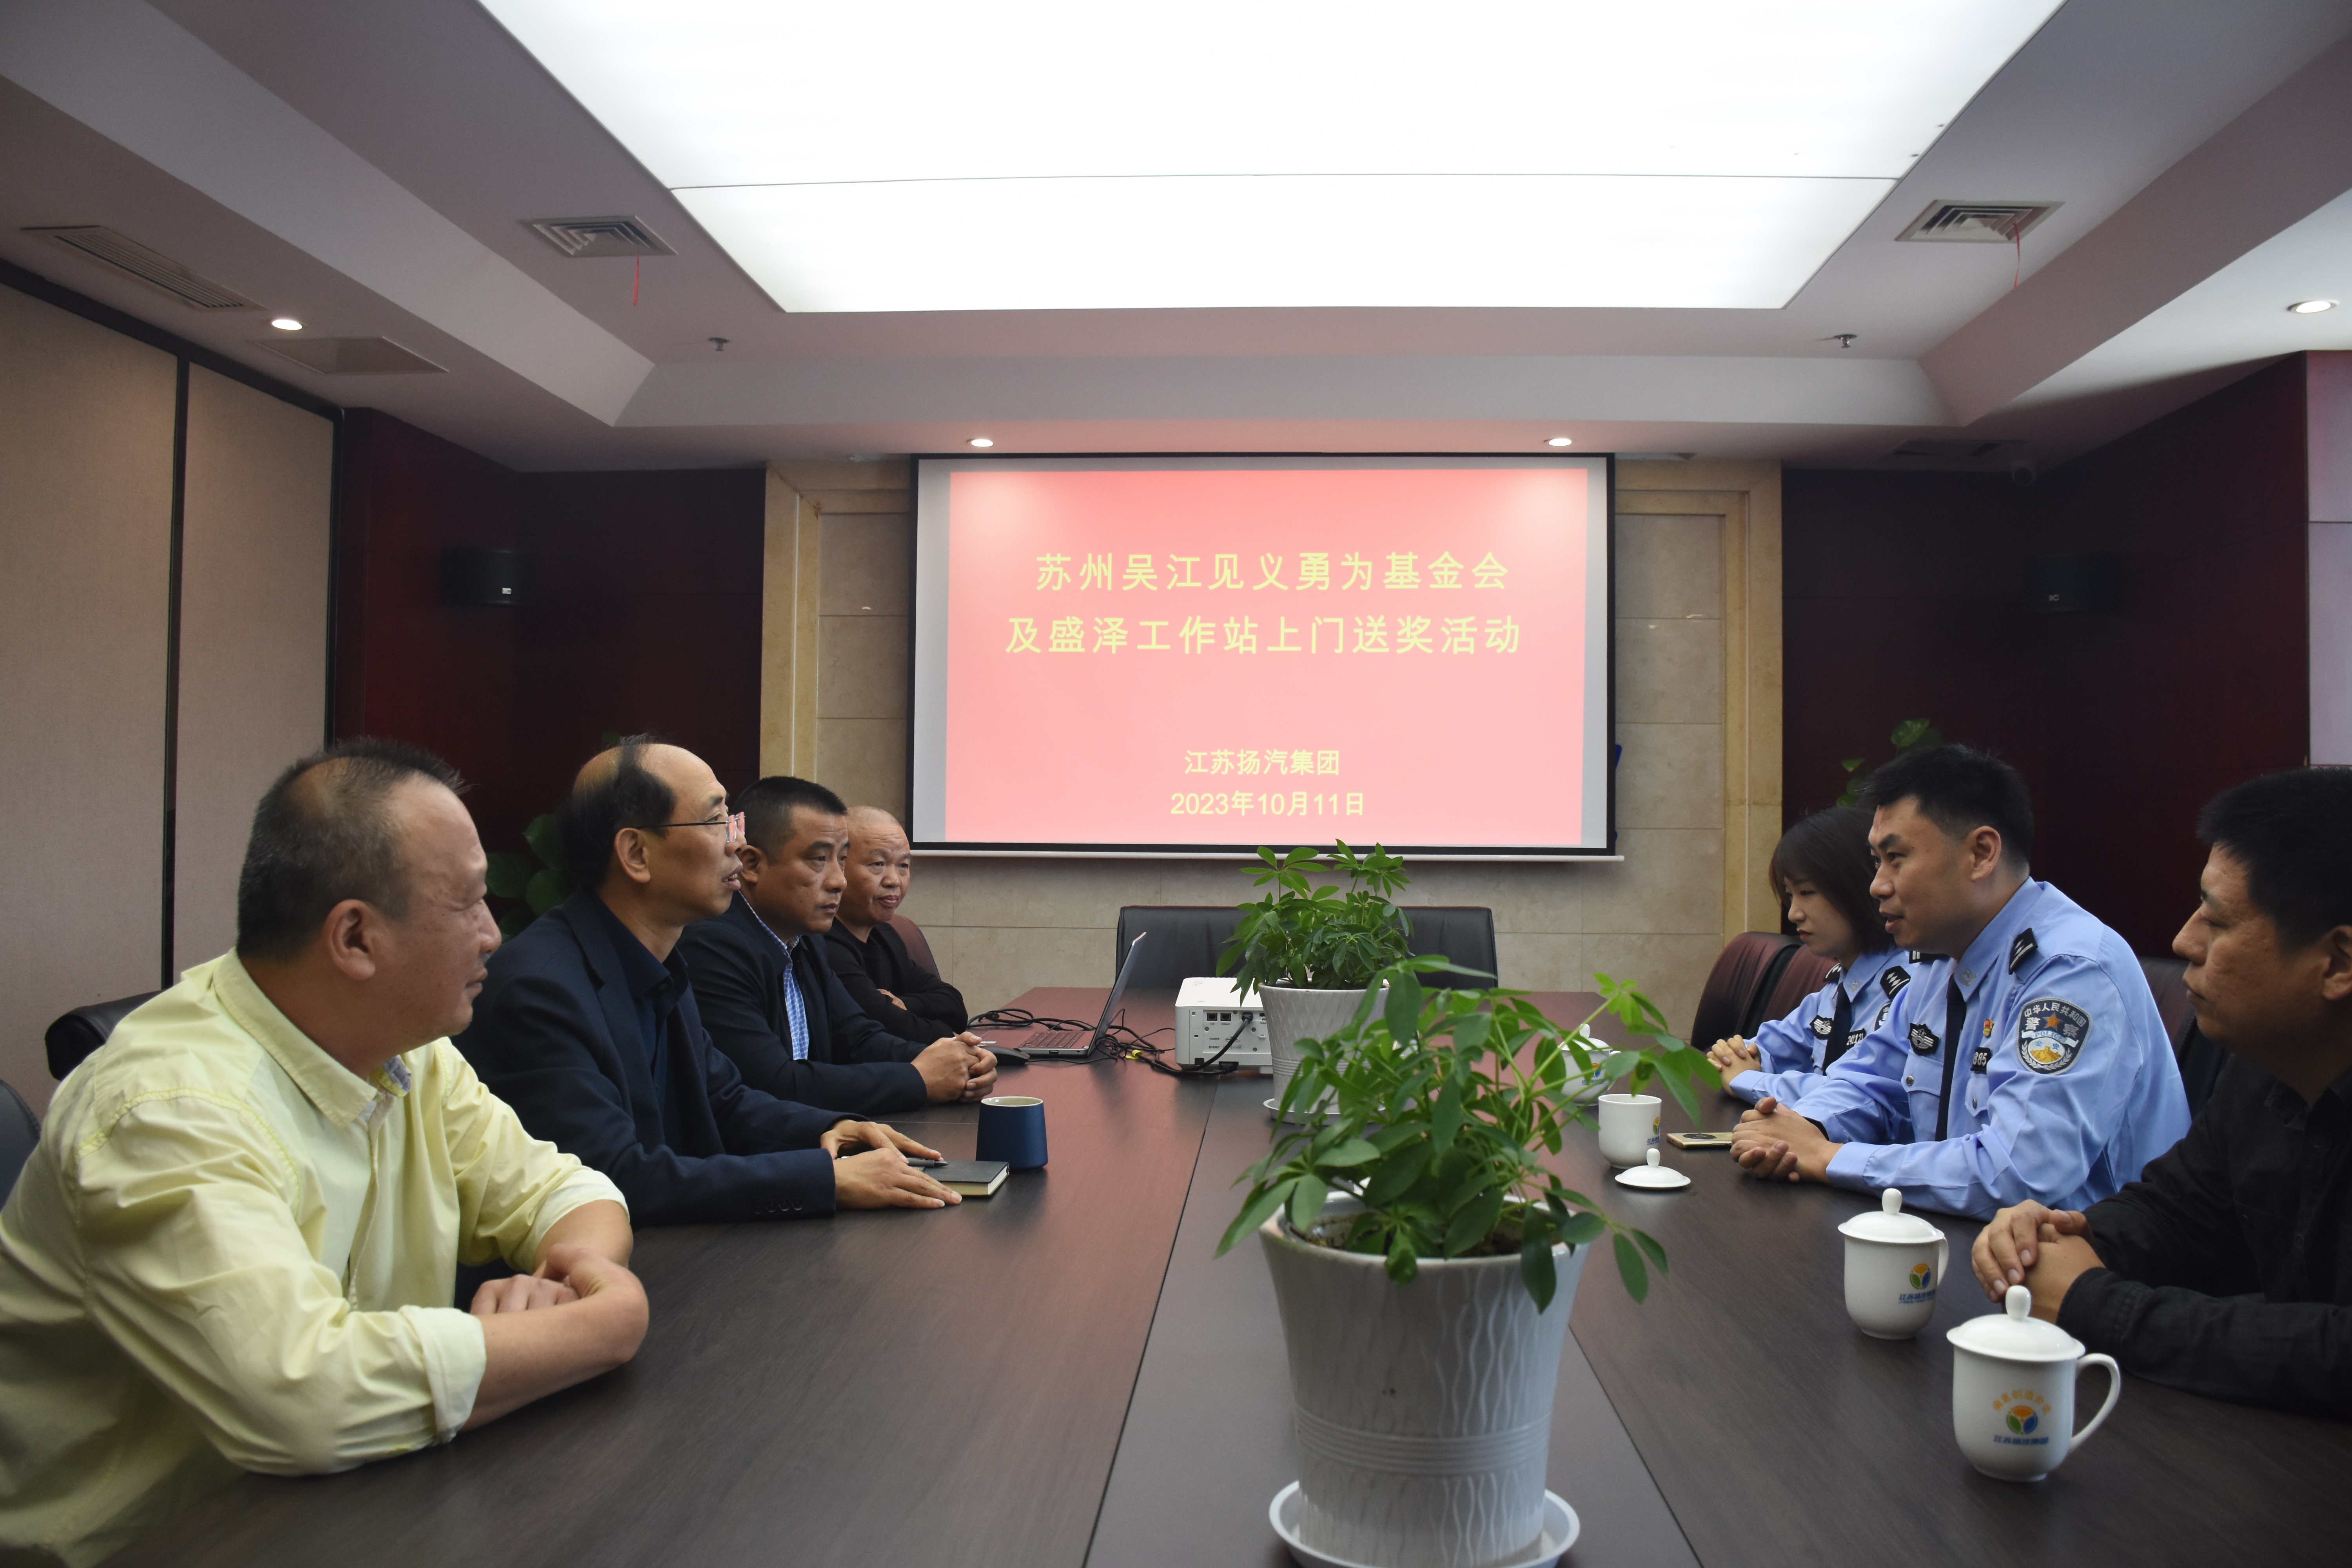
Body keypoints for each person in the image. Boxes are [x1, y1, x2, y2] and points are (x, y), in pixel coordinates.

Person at [0, 741, 647, 1568]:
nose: (494, 933)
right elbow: (301, 1391)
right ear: (355, 937)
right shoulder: (169, 1107)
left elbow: (562, 1189)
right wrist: (603, 1321)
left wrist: (569, 1277)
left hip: (356, 1508)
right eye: (467, 904)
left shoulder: (406, 1048)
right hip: (154, 1543)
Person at [1970, 768, 2352, 1418]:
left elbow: (2337, 1353)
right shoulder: (2263, 1069)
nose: (2184, 941)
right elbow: (2180, 1209)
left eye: (2218, 922)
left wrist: (2096, 1305)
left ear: (2338, 963)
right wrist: (2064, 1239)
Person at [457, 739, 961, 1224]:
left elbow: (726, 1100)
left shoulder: (659, 957)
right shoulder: (541, 989)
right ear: (636, 853)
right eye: (717, 820)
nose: (737, 843)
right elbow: (613, 1176)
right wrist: (825, 1179)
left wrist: (832, 1128)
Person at [1730, 745, 2189, 1219]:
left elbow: (2017, 1173)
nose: (1877, 885)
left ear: (1981, 854)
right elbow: (1869, 1080)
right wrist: (1802, 1129)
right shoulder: (1940, 962)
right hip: (1966, 1235)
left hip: (2086, 1255)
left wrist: (1829, 1157)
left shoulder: (2068, 970)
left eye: (1896, 858)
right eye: (1876, 861)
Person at [679, 781, 992, 1114]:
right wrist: (920, 1079)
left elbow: (859, 1039)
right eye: (818, 859)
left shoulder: (806, 940)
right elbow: (774, 1085)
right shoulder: (713, 947)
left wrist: (959, 1060)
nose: (838, 881)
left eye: (841, 860)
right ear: (752, 865)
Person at [1706, 805, 1904, 1105]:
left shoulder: (1910, 989)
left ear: (1860, 886)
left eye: (1807, 893)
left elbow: (1853, 1096)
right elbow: (1771, 1046)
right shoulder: (1837, 989)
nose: (1794, 914)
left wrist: (1747, 1079)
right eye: (1790, 896)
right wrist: (1736, 1058)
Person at [822, 805, 971, 1043]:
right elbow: (885, 1025)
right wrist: (954, 1041)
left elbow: (953, 1005)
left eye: (903, 866)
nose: (894, 881)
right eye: (878, 864)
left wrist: (904, 1004)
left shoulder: (885, 935)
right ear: (839, 866)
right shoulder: (823, 943)